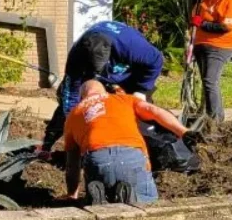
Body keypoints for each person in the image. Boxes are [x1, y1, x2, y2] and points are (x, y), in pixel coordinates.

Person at [39, 21, 164, 155]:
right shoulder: (76, 56)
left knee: (139, 111)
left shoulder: (131, 46)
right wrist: (74, 122)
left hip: (130, 75)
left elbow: (156, 60)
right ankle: (45, 146)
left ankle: (150, 151)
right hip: (92, 73)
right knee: (65, 103)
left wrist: (141, 90)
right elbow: (71, 94)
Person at [64, 80, 194, 205]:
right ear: (104, 91)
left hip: (97, 159)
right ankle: (131, 198)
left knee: (100, 183)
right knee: (148, 204)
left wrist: (72, 194)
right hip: (130, 155)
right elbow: (155, 111)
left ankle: (101, 199)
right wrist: (184, 132)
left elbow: (72, 164)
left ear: (82, 97)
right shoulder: (124, 99)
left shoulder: (73, 115)